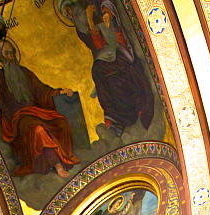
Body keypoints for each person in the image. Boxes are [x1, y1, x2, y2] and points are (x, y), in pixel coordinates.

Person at [0, 38, 79, 178]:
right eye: (7, 53)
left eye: (12, 52)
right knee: (38, 130)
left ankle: (67, 156)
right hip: (18, 122)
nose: (11, 56)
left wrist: (59, 92)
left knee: (61, 122)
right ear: (0, 57)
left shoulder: (25, 73)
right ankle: (57, 165)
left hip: (38, 114)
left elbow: (42, 91)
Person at [60, 0, 154, 137]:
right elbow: (96, 45)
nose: (72, 14)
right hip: (105, 55)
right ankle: (112, 115)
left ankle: (135, 106)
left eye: (70, 9)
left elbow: (107, 4)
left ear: (76, 5)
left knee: (104, 70)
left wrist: (106, 12)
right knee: (98, 71)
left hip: (119, 48)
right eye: (68, 14)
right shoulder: (81, 29)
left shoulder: (91, 5)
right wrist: (90, 21)